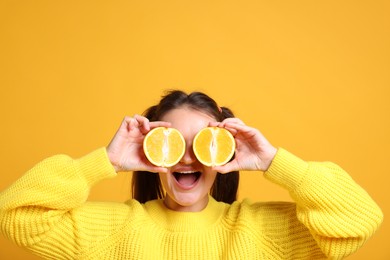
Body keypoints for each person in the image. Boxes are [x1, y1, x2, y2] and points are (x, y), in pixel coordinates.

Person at [0, 90, 383, 259]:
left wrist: (272, 161)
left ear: (224, 151)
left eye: (202, 143)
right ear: (150, 152)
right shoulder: (114, 230)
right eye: (170, 143)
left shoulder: (261, 231)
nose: (186, 158)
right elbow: (17, 215)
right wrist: (108, 160)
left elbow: (359, 220)